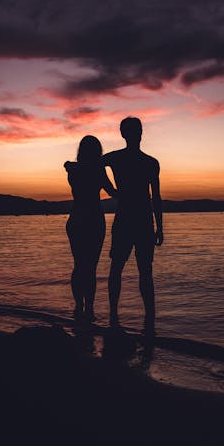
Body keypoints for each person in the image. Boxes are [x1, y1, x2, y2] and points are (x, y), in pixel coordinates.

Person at [102, 117, 163, 325]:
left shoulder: (127, 159)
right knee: (138, 269)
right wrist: (111, 190)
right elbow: (156, 197)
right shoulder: (149, 162)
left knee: (127, 268)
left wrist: (111, 190)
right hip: (139, 219)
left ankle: (116, 316)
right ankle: (147, 318)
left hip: (134, 219)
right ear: (138, 133)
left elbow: (156, 197)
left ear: (123, 134)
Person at [64, 135, 118, 321]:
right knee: (90, 267)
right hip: (93, 219)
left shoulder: (73, 169)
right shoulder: (97, 169)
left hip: (77, 218)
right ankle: (89, 309)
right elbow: (113, 192)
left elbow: (72, 167)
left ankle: (80, 308)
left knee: (79, 265)